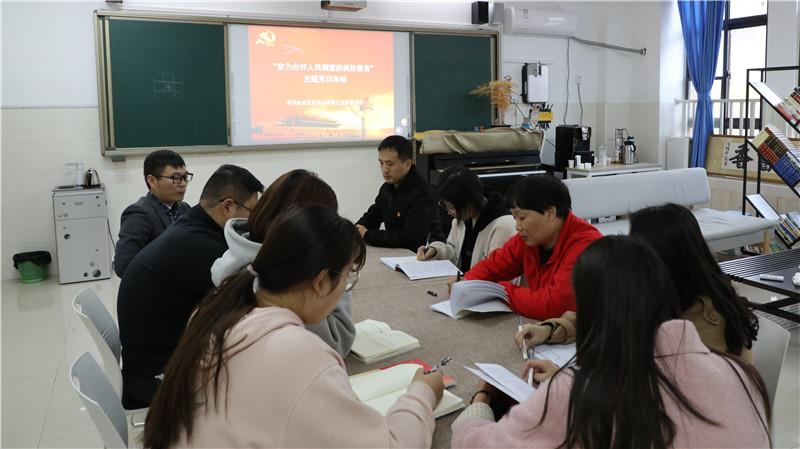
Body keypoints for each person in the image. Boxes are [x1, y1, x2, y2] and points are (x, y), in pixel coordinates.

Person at [143, 206, 445, 449]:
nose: (346, 289)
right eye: (347, 278)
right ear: (321, 281)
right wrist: (422, 393)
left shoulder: (217, 307)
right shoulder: (297, 352)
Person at [453, 236, 771, 449]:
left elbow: (477, 444)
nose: (519, 225)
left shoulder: (582, 395)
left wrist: (481, 399)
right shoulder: (739, 372)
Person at [516, 204, 759, 362]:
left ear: (661, 260)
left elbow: (658, 395)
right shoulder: (662, 293)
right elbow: (605, 314)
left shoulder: (706, 326)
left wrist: (570, 382)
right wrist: (550, 330)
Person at [117, 164, 263, 409]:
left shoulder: (191, 224)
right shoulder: (200, 246)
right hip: (159, 378)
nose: (253, 223)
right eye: (252, 213)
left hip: (148, 362)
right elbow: (249, 302)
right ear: (227, 207)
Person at [210, 169, 356, 357]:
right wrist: (339, 273)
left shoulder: (237, 254)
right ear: (302, 226)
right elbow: (336, 343)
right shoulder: (279, 278)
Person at [451, 175, 601, 320]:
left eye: (522, 217)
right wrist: (467, 282)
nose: (517, 226)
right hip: (543, 327)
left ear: (550, 212)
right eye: (515, 218)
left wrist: (499, 291)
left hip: (585, 332)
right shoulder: (532, 238)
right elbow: (496, 264)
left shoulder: (585, 245)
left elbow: (553, 305)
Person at [417, 167, 516, 273]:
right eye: (445, 205)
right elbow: (455, 254)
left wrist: (466, 280)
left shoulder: (503, 226)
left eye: (452, 207)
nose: (449, 212)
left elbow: (498, 272)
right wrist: (436, 251)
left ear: (469, 202)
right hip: (463, 281)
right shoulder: (462, 219)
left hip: (478, 283)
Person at [356, 135, 443, 251]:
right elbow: (373, 216)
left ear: (407, 164)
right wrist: (356, 230)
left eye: (389, 164)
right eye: (381, 163)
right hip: (397, 255)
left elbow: (409, 239)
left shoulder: (423, 193)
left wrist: (367, 235)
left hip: (419, 256)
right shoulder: (387, 188)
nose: (384, 169)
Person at [114, 150, 192, 277]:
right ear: (152, 181)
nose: (183, 184)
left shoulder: (184, 209)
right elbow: (124, 266)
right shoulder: (138, 214)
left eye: (185, 177)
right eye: (176, 178)